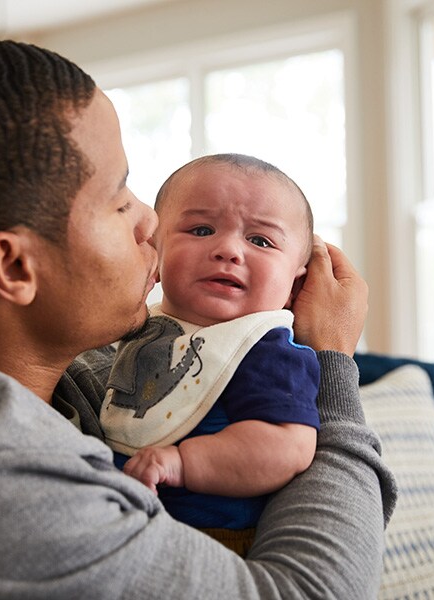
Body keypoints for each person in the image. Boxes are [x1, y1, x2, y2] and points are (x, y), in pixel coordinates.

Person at [0, 40, 396, 599]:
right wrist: (331, 357)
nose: (151, 225)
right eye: (119, 199)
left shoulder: (18, 389)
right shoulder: (3, 507)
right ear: (14, 267)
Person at [102, 154, 320, 556]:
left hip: (217, 541)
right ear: (155, 251)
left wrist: (183, 463)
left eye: (260, 240)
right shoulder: (139, 326)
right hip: (123, 528)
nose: (228, 250)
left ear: (294, 284)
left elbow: (287, 446)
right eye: (201, 229)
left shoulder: (266, 349)